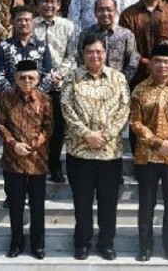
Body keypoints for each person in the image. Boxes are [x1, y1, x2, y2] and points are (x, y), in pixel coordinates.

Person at [62, 34, 130, 261]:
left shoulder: (118, 79)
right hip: (79, 152)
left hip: (109, 153)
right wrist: (87, 134)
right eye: (90, 51)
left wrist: (105, 135)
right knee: (81, 202)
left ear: (106, 53)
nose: (95, 55)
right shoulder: (72, 78)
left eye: (99, 51)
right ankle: (82, 242)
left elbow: (123, 110)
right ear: (83, 54)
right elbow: (66, 109)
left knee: (108, 203)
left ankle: (106, 243)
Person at [130, 43, 168, 263]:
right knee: (146, 203)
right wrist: (156, 142)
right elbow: (135, 122)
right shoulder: (139, 89)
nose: (162, 65)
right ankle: (145, 246)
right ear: (150, 64)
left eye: (166, 61)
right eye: (157, 61)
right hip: (146, 155)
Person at [0, 60, 52, 260]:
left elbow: (49, 126)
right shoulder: (5, 97)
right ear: (15, 78)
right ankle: (16, 242)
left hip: (37, 161)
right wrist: (14, 144)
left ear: (37, 79)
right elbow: (1, 125)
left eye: (31, 77)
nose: (27, 81)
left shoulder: (45, 99)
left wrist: (36, 143)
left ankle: (38, 244)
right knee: (15, 205)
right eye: (22, 77)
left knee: (37, 205)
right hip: (13, 161)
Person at [33, 0, 76, 183]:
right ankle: (38, 164)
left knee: (58, 128)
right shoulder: (31, 25)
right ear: (38, 3)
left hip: (60, 85)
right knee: (37, 127)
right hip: (36, 86)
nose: (49, 5)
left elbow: (73, 55)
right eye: (45, 1)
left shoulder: (68, 26)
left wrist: (60, 73)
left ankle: (55, 165)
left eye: (53, 1)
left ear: (59, 5)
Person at [119, 0, 168, 87]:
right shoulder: (128, 14)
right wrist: (146, 63)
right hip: (137, 72)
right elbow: (126, 46)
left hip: (166, 71)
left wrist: (162, 63)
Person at [78, 0, 140, 83]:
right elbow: (80, 59)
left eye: (109, 10)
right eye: (101, 10)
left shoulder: (126, 35)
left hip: (118, 84)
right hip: (91, 84)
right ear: (95, 12)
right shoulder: (86, 34)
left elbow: (133, 61)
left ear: (116, 12)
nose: (105, 13)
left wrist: (122, 81)